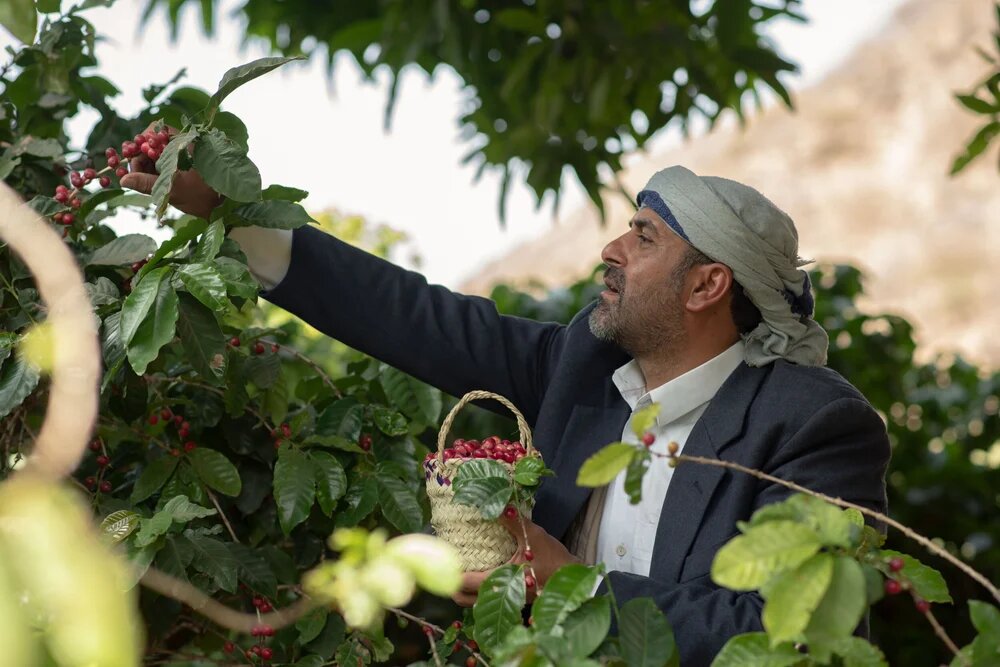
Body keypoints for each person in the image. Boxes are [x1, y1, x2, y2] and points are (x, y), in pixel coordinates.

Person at [122, 160, 890, 666]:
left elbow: (795, 637)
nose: (611, 249)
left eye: (644, 237)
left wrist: (575, 585)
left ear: (705, 286)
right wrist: (227, 208)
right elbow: (411, 316)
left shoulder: (814, 424)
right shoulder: (582, 365)